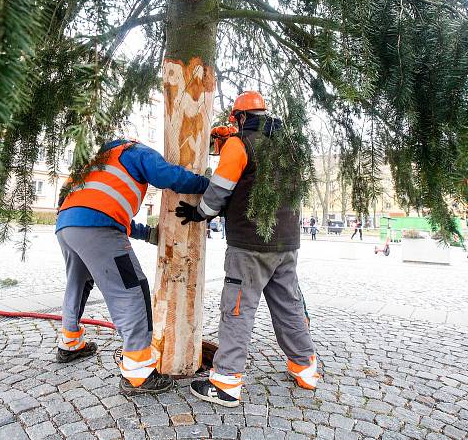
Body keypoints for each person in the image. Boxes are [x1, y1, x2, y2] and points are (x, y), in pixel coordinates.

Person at [175, 91, 319, 407]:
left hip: (251, 245)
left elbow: (221, 188)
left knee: (237, 309)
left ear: (240, 118)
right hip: (286, 242)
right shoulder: (289, 146)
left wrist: (201, 212)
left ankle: (226, 382)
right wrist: (230, 141)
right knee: (288, 305)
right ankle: (305, 367)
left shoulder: (240, 145)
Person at [56, 139, 208, 395]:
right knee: (132, 289)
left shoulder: (95, 163)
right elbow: (166, 175)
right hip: (98, 227)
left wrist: (147, 233)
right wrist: (205, 184)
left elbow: (103, 206)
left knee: (78, 282)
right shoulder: (133, 151)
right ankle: (138, 371)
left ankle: (70, 343)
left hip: (66, 225)